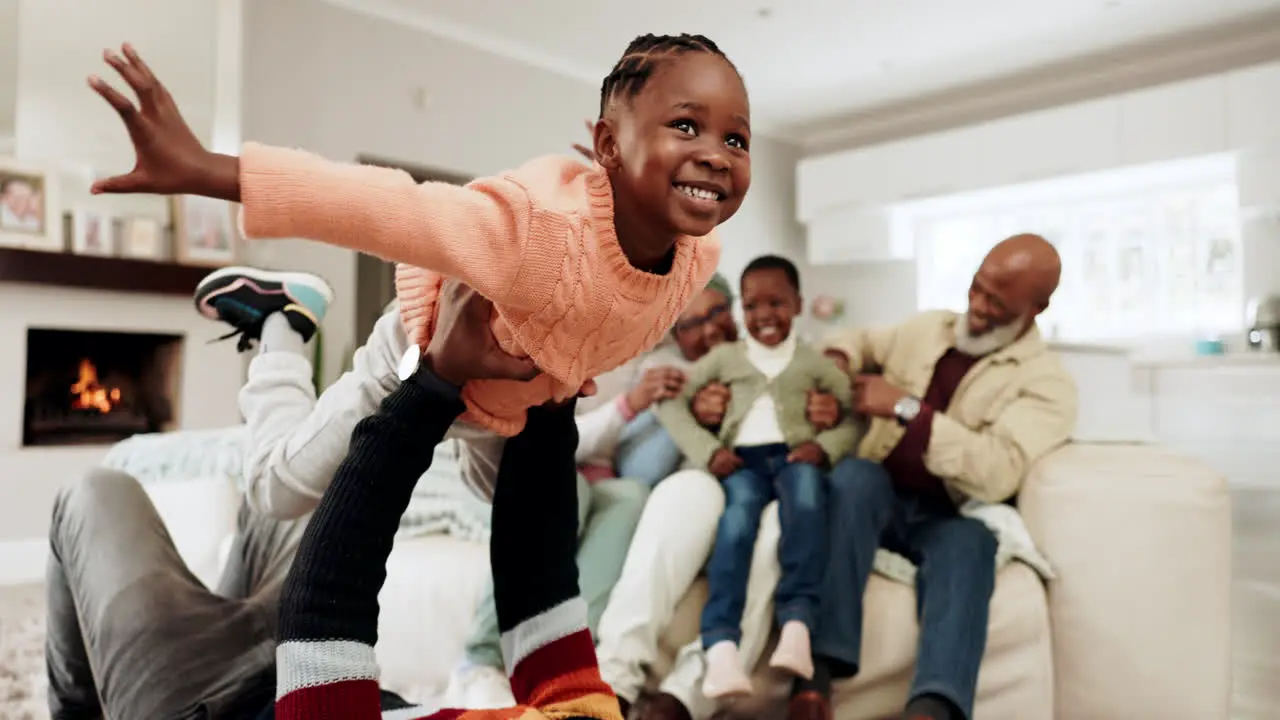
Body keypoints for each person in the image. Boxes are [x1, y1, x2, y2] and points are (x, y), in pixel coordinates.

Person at [87, 35, 750, 500]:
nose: (717, 154)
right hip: (424, 350)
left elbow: (620, 305)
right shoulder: (533, 233)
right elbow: (389, 206)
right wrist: (208, 170)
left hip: (510, 398)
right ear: (608, 144)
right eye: (686, 126)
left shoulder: (702, 260)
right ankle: (282, 324)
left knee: (535, 511)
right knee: (278, 490)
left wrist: (573, 361)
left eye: (735, 138)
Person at [41, 283, 542, 719]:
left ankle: (281, 330)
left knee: (93, 490)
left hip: (200, 701)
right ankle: (283, 325)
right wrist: (548, 408)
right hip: (308, 654)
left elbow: (340, 570)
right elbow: (546, 563)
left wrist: (431, 385)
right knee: (291, 479)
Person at [695, 234, 1077, 720]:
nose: (977, 306)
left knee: (973, 546)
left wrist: (906, 408)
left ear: (1037, 306)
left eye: (996, 302)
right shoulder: (928, 328)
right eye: (976, 287)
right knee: (853, 477)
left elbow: (998, 472)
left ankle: (932, 706)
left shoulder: (1047, 383)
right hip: (876, 491)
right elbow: (857, 341)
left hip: (948, 511)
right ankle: (814, 683)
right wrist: (834, 367)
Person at [268, 279, 623, 719]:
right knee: (275, 501)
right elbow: (541, 586)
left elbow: (322, 606)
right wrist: (551, 396)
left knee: (274, 490)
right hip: (276, 660)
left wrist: (434, 382)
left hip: (206, 687)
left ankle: (277, 323)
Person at [653, 256, 857, 699]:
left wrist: (824, 447)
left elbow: (854, 416)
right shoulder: (725, 358)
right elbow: (670, 405)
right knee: (737, 522)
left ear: (798, 304)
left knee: (806, 501)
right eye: (752, 305)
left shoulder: (814, 362)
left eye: (776, 303)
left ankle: (798, 625)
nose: (764, 315)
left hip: (796, 459)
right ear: (743, 309)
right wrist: (709, 452)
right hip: (741, 464)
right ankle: (722, 643)